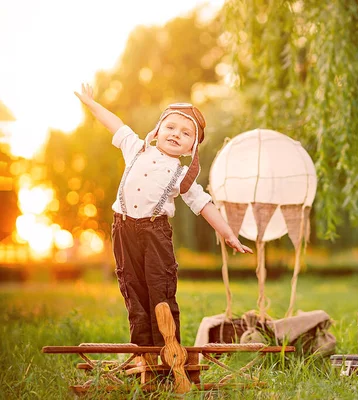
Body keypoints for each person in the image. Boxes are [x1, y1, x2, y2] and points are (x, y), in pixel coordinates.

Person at [74, 83, 253, 347]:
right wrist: (91, 104)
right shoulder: (136, 149)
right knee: (133, 290)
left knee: (161, 291)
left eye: (185, 133)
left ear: (191, 147)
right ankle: (143, 352)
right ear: (157, 131)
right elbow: (115, 123)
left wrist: (228, 234)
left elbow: (204, 204)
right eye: (170, 127)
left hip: (155, 234)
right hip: (122, 231)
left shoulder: (180, 175)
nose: (175, 134)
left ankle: (168, 353)